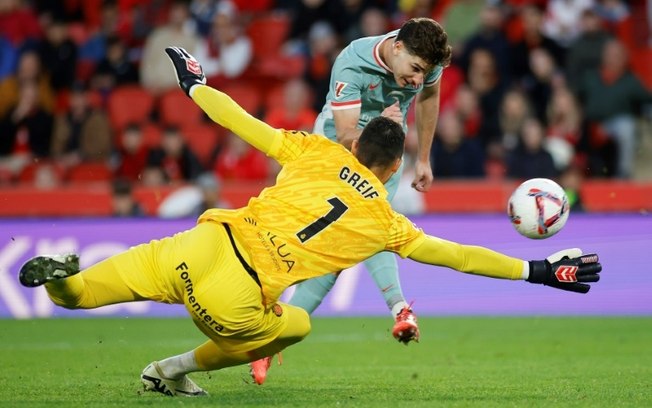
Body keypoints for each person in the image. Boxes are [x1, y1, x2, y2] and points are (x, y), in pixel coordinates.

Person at [18, 47, 602, 398]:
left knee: (77, 297)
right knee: (295, 326)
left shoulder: (316, 150)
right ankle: (170, 369)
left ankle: (64, 277)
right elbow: (458, 255)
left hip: (201, 244)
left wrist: (195, 84)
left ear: (355, 145)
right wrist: (539, 270)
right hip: (237, 299)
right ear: (393, 165)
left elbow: (243, 123)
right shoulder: (384, 221)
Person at [267, 18, 453, 378]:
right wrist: (379, 125)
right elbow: (345, 134)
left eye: (423, 73)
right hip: (336, 148)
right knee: (335, 241)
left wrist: (425, 158)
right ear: (397, 48)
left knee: (369, 230)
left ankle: (272, 341)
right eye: (414, 70)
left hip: (386, 153)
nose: (417, 79)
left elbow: (429, 97)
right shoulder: (353, 62)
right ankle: (268, 328)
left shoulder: (423, 63)